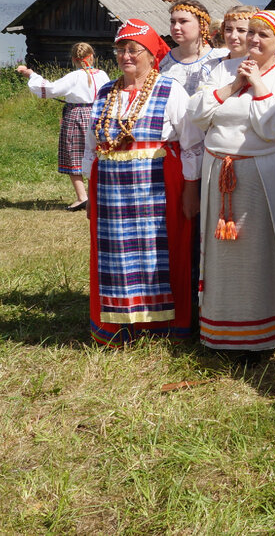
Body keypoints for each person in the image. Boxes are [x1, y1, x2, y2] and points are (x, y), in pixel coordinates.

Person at [188, 10, 275, 352]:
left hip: (262, 179)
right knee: (223, 256)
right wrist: (234, 85)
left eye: (263, 35)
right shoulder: (222, 69)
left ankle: (264, 337)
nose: (253, 40)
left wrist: (256, 85)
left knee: (260, 254)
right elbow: (197, 114)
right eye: (251, 32)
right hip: (220, 176)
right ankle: (221, 333)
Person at [82, 19, 203, 345]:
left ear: (151, 54)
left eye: (134, 49)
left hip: (159, 189)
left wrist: (191, 190)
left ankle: (162, 327)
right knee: (116, 256)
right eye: (120, 49)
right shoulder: (106, 92)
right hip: (110, 190)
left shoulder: (170, 90)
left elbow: (191, 145)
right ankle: (120, 323)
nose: (126, 56)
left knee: (158, 254)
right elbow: (91, 149)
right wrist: (90, 197)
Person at [17, 42, 109, 211]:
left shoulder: (74, 77)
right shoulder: (103, 75)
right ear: (92, 56)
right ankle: (95, 197)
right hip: (99, 116)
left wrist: (31, 74)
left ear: (74, 59)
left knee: (73, 154)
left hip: (76, 115)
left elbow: (49, 89)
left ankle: (83, 197)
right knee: (96, 154)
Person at [160, 0, 228, 96]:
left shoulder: (219, 59)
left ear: (202, 25)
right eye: (173, 22)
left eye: (183, 21)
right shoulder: (166, 60)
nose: (176, 27)